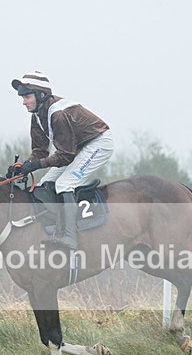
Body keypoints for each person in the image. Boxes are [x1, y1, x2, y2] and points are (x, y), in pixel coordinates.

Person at [10, 71, 114, 250]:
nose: (23, 102)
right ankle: (56, 229)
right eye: (22, 97)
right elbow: (40, 151)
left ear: (41, 95)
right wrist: (24, 166)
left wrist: (36, 164)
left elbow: (66, 155)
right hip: (78, 148)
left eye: (26, 97)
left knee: (64, 184)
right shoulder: (36, 115)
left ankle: (70, 236)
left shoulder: (57, 114)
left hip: (98, 143)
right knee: (45, 183)